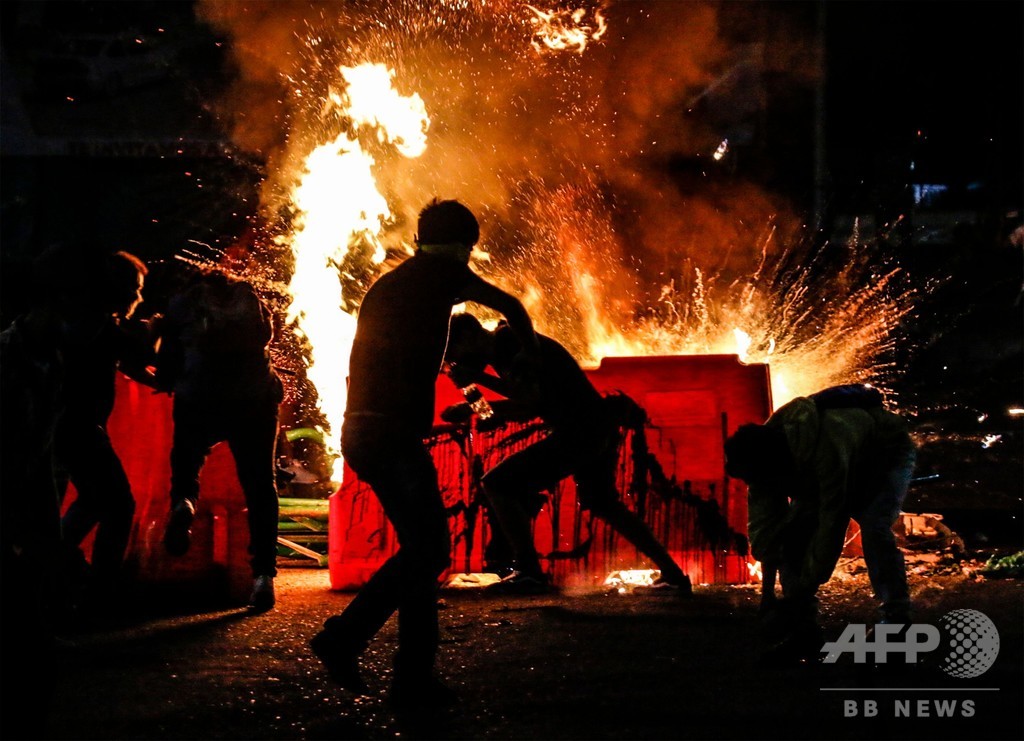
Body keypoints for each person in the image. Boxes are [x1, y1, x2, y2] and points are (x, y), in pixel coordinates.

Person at [309, 199, 540, 715]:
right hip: (390, 436)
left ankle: (412, 678)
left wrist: (477, 407)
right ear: (466, 247)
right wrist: (530, 364)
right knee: (430, 552)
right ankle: (347, 639)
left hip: (365, 433)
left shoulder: (396, 283)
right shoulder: (443, 275)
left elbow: (456, 370)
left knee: (421, 552)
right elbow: (514, 308)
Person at [441, 313, 692, 595]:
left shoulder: (512, 343)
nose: (455, 359)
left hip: (579, 431)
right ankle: (674, 575)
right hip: (592, 427)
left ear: (469, 336)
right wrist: (471, 404)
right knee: (604, 503)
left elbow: (529, 399)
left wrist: (476, 379)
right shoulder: (503, 350)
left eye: (454, 351)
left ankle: (529, 571)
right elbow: (522, 407)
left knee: (497, 483)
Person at [723, 384, 917, 661]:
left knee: (874, 528)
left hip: (885, 456)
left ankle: (897, 622)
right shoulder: (760, 463)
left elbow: (831, 524)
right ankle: (805, 634)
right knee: (792, 536)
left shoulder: (827, 445)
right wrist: (767, 597)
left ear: (776, 465)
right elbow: (767, 531)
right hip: (821, 467)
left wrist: (794, 599)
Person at [155, 268, 284, 612]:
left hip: (199, 397)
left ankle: (184, 502)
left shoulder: (183, 302)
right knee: (260, 485)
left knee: (187, 458)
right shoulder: (248, 297)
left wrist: (168, 377)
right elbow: (267, 337)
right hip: (255, 400)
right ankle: (263, 579)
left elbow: (166, 360)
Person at [52, 249, 159, 611]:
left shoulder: (89, 321)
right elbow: (137, 356)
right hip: (76, 428)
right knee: (117, 504)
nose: (137, 296)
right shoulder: (93, 323)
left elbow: (131, 363)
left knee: (97, 500)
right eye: (133, 287)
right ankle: (98, 591)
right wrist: (157, 333)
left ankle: (64, 569)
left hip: (71, 428)